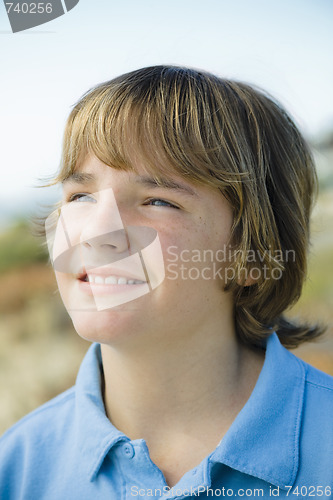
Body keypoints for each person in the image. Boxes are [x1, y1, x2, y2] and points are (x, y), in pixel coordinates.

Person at [1, 65, 332, 499]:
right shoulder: (17, 469)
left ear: (253, 256)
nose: (97, 234)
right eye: (80, 196)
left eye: (159, 201)